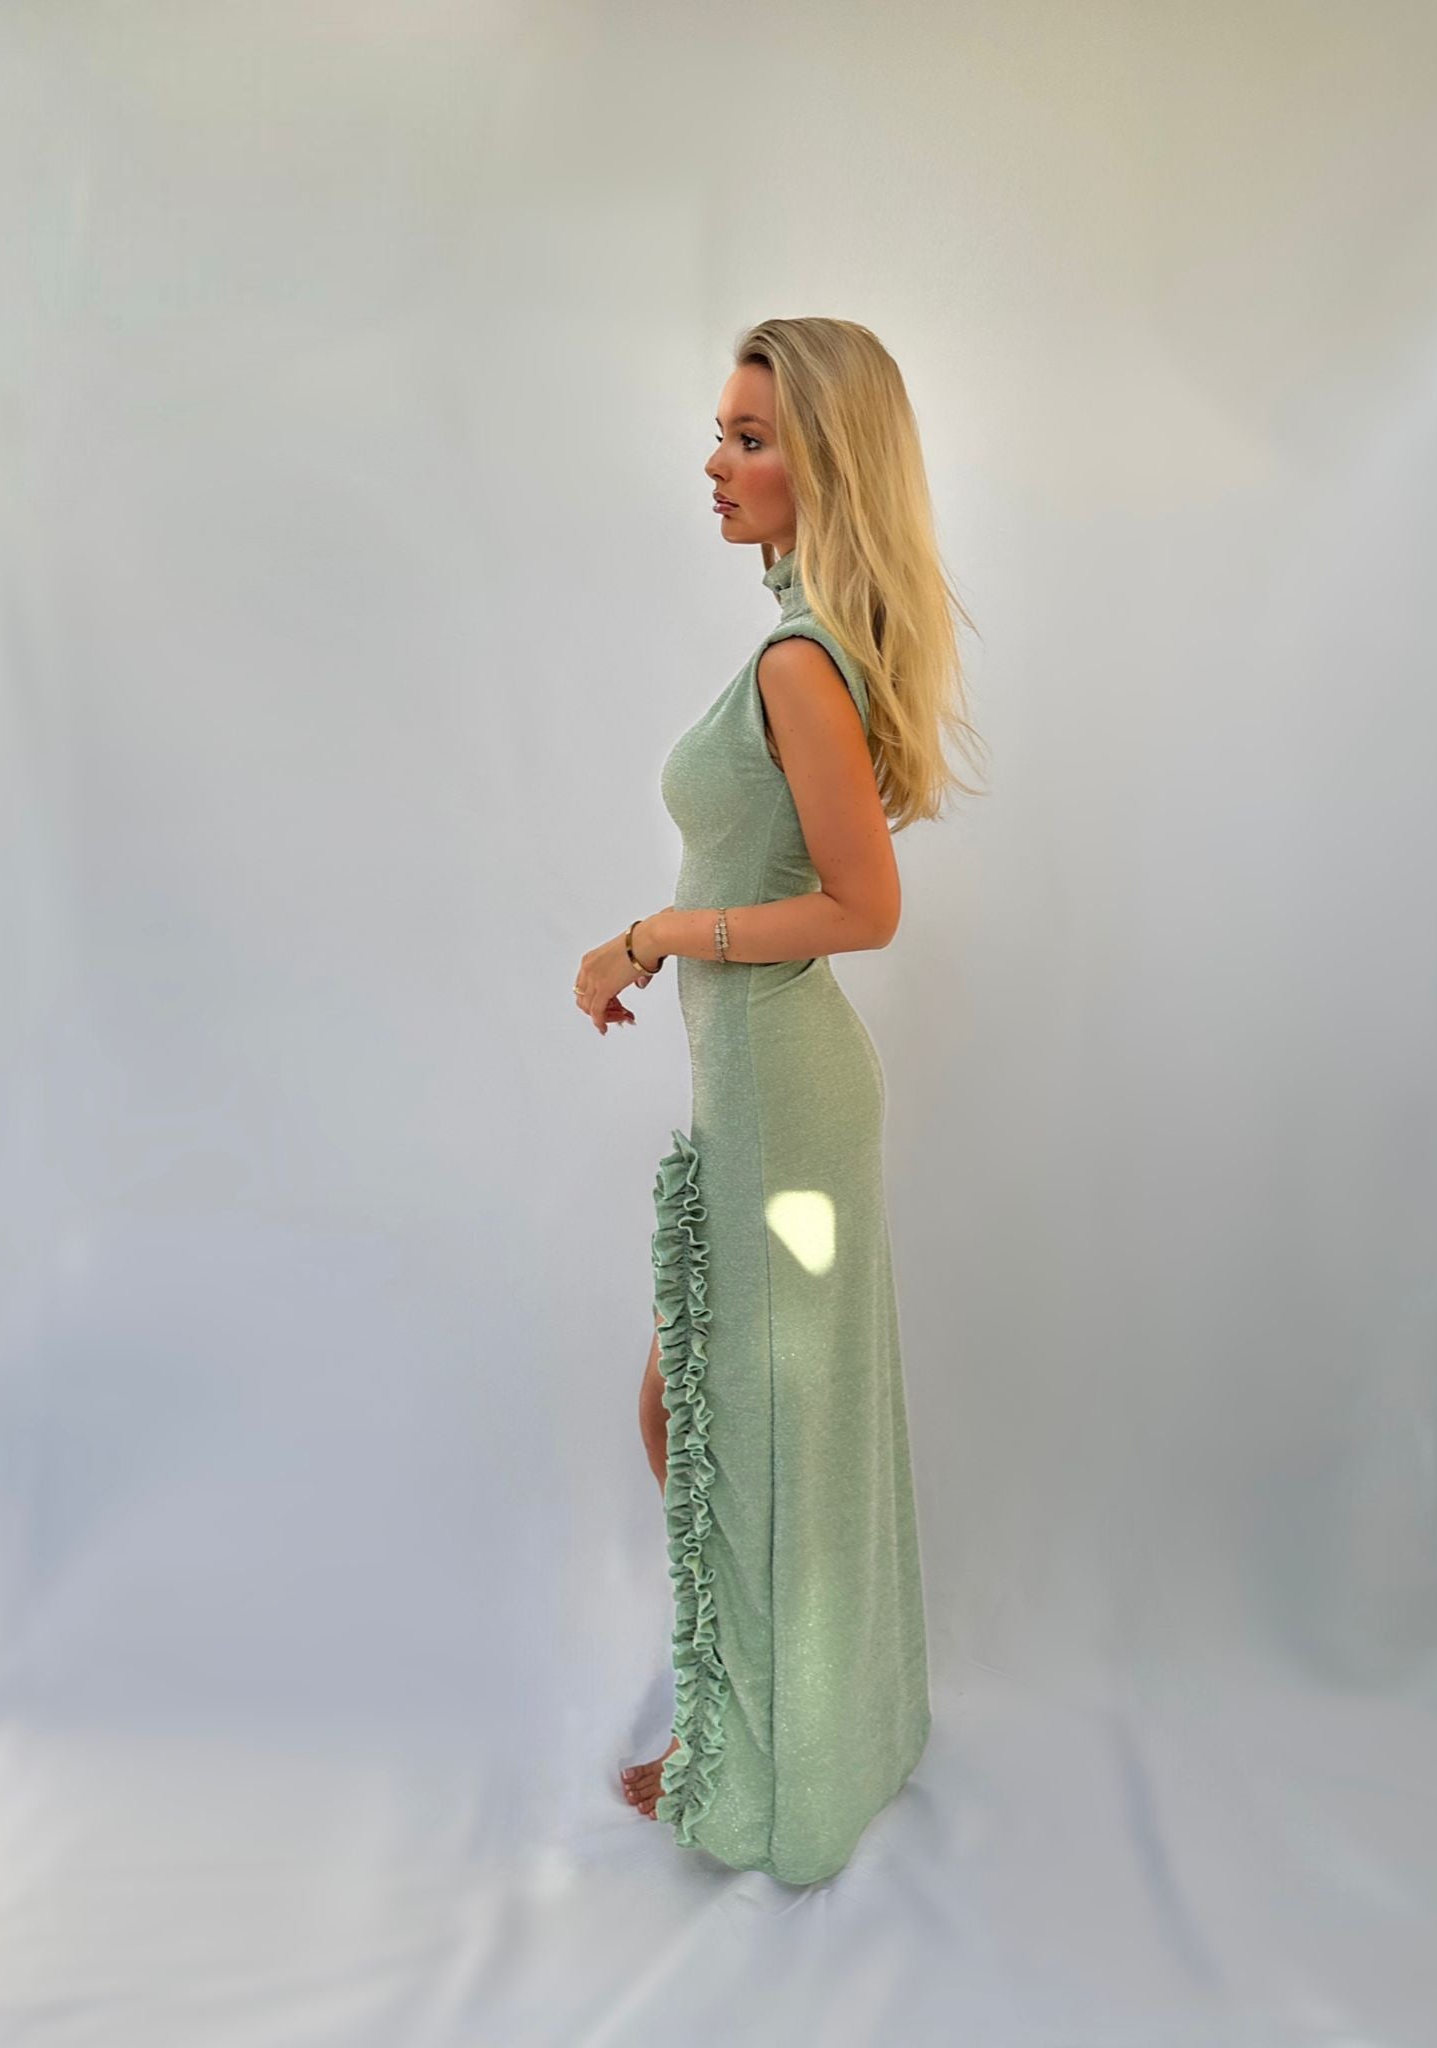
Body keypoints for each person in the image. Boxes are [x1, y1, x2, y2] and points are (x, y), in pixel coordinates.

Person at [574, 317, 985, 1884]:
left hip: (783, 1104)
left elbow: (862, 908)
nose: (715, 461)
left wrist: (652, 934)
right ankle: (795, 1726)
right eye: (722, 432)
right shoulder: (798, 647)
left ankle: (756, 1756)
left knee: (740, 1413)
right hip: (770, 1092)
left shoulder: (799, 666)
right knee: (745, 1409)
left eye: (750, 438)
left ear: (828, 463)